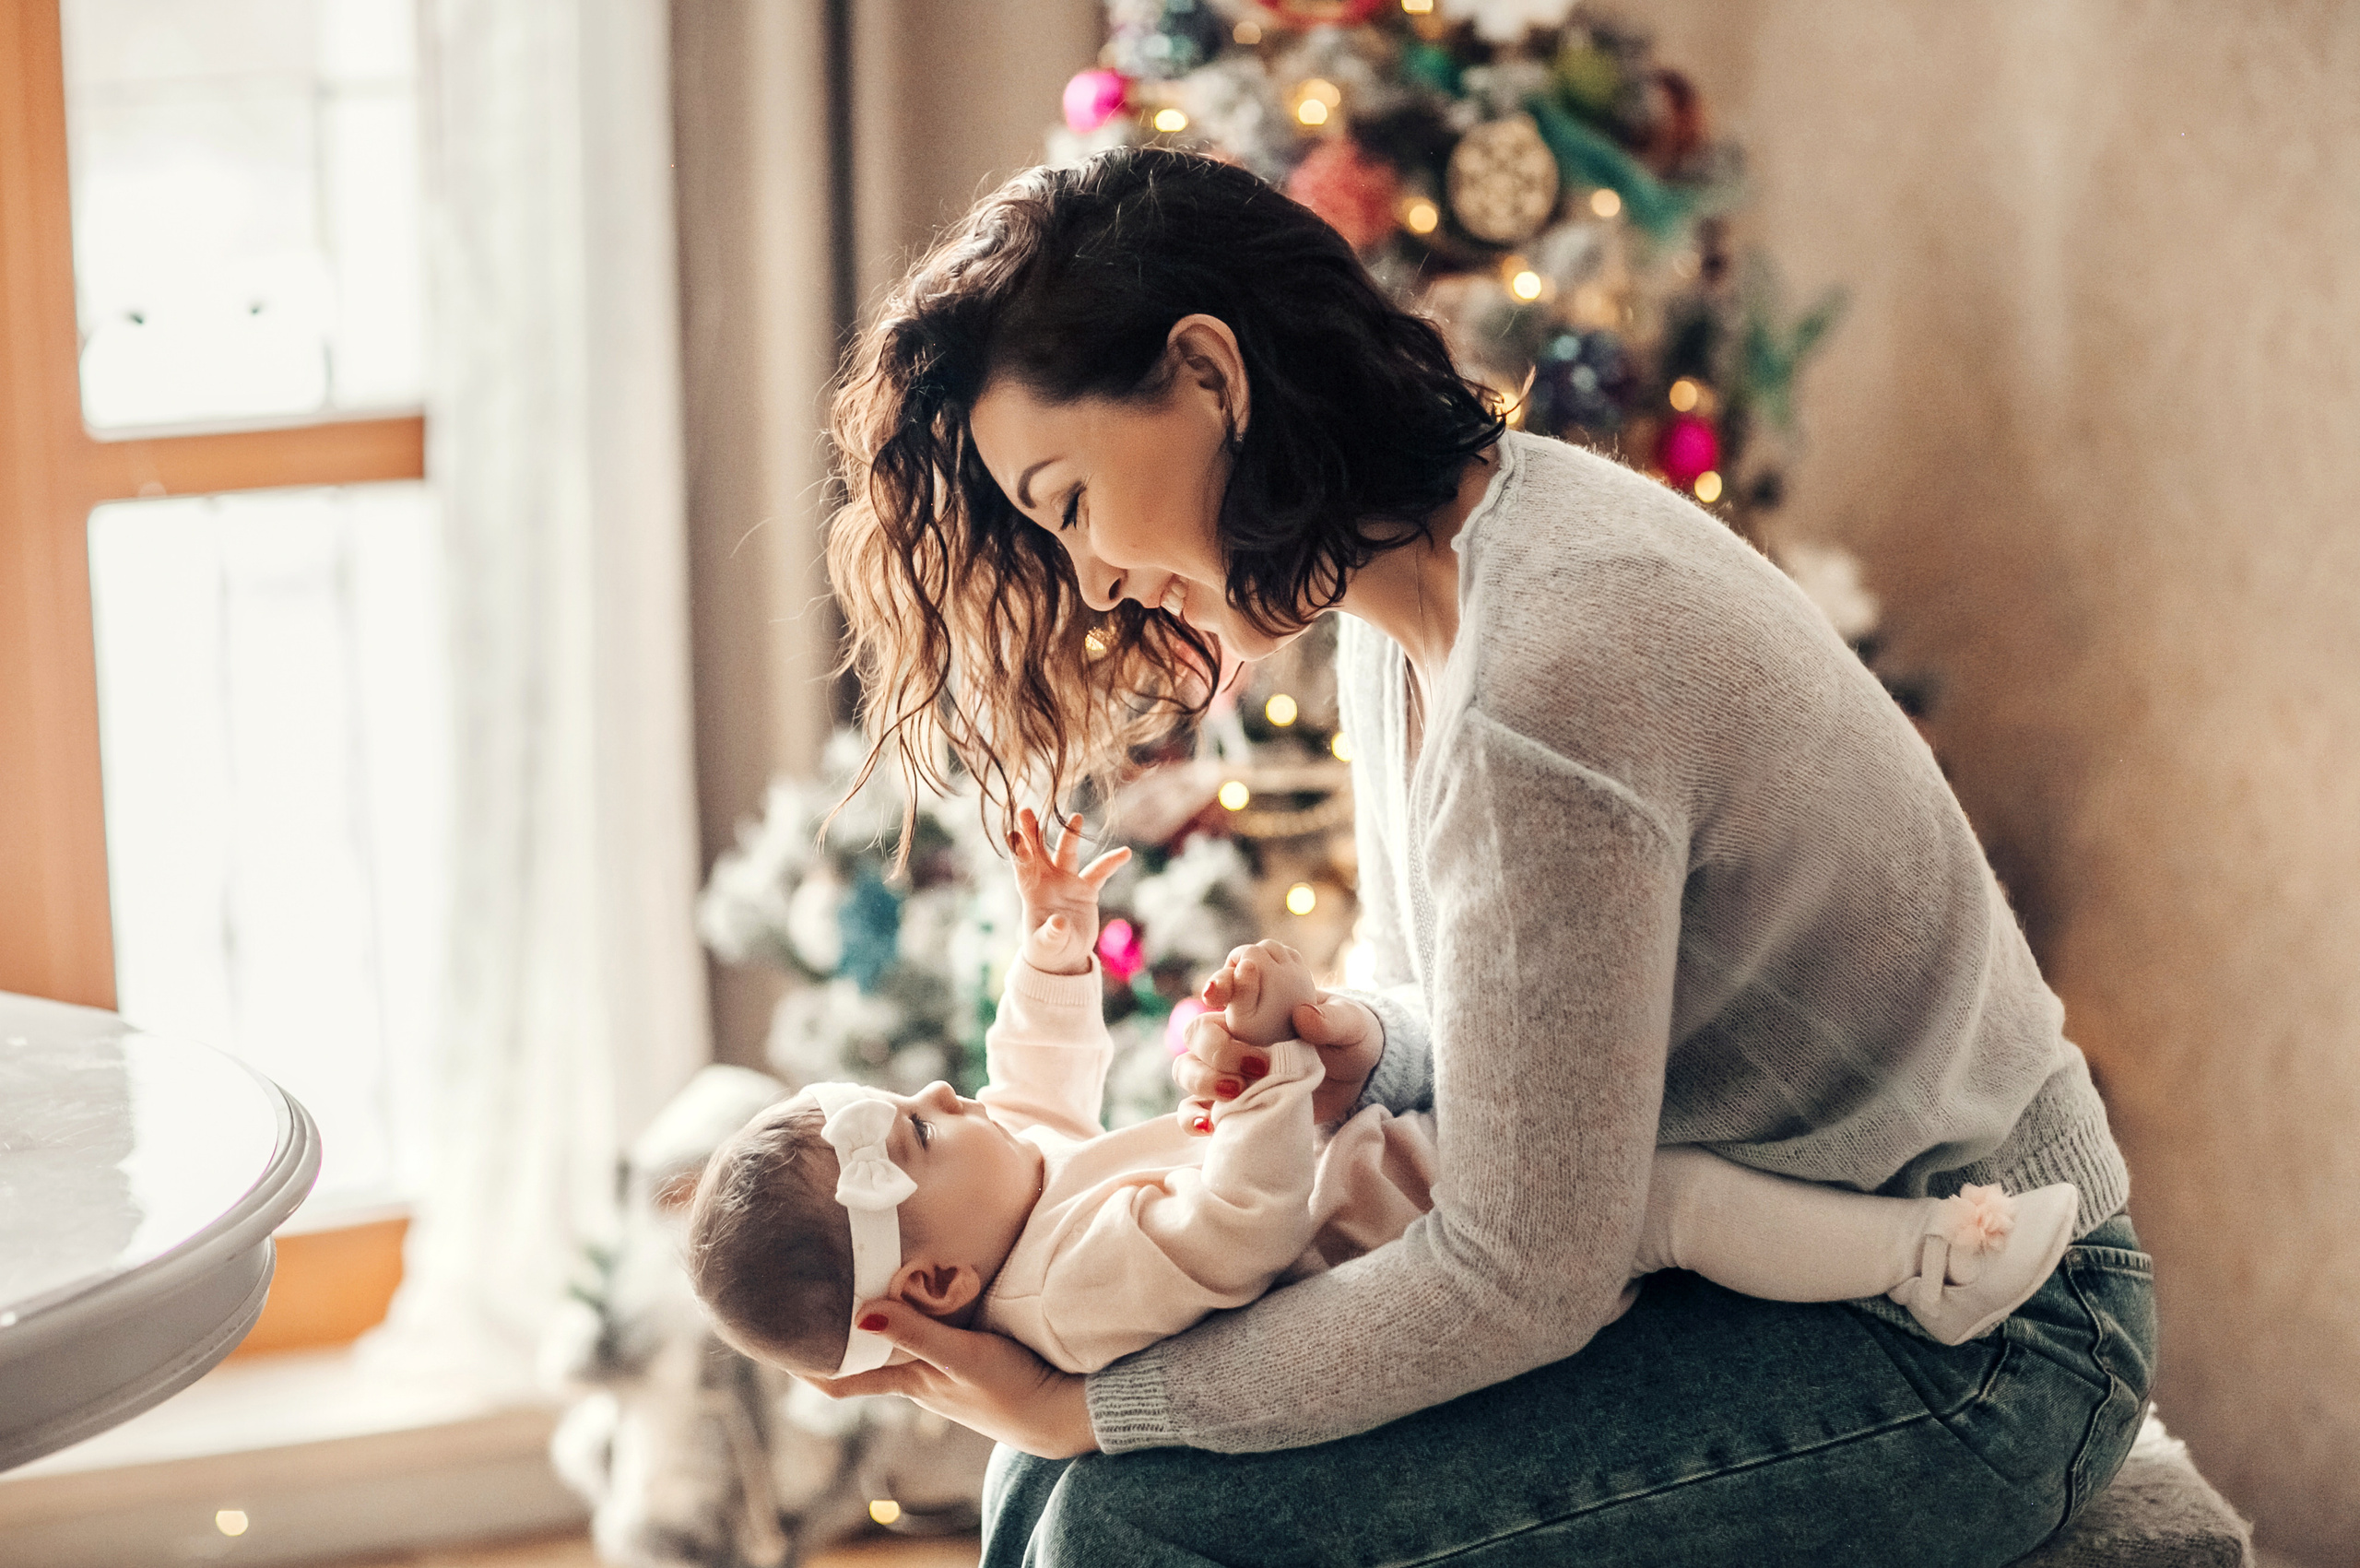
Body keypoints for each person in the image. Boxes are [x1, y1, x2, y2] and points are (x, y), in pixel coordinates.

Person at [808, 147, 2155, 1567]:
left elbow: (1518, 1275)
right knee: (1043, 1478)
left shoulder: (1545, 677)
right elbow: (1482, 1019)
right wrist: (1359, 1041)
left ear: (1208, 374)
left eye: (1070, 501)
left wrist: (1100, 1399)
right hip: (1767, 1273)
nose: (1087, 581)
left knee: (1126, 1515)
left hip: (1986, 1335)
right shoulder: (1417, 606)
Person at [690, 808, 2080, 1387]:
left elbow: (1030, 1075)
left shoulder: (1008, 1180)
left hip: (1406, 1155)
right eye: (916, 1127)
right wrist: (1266, 1085)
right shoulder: (1061, 1292)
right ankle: (1926, 1263)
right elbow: (1232, 1230)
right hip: (1440, 1229)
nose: (941, 1089)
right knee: (1669, 1199)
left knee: (1655, 1092)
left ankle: (1875, 1182)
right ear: (928, 1280)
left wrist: (1052, 945)